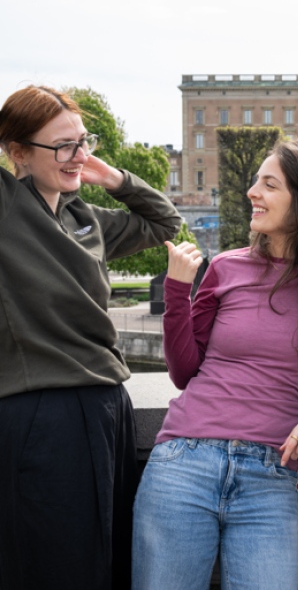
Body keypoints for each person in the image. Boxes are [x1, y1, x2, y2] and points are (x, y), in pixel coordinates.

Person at [132, 140, 298, 590]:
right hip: (185, 461)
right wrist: (176, 292)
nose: (251, 192)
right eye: (254, 181)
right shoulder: (225, 267)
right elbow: (185, 372)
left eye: (269, 183)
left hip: (270, 474)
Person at [0, 85, 182, 590]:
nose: (79, 155)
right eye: (62, 146)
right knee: (57, 562)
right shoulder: (6, 206)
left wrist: (115, 178)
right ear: (16, 152)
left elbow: (164, 222)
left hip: (107, 404)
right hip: (42, 409)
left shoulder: (85, 218)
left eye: (84, 141)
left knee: (108, 554)